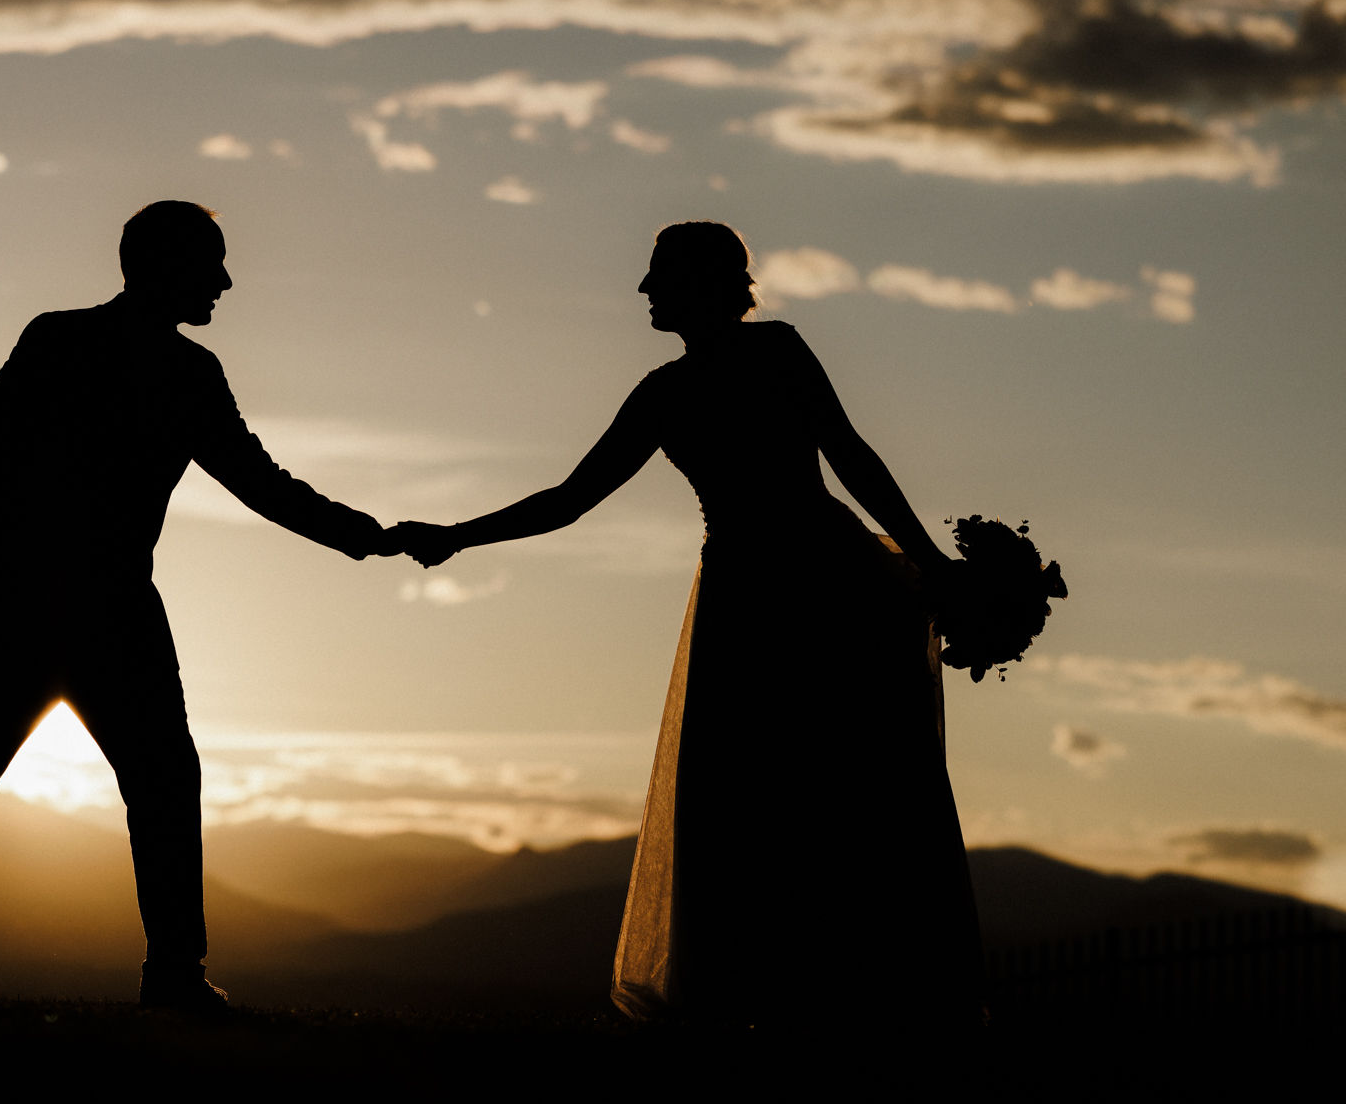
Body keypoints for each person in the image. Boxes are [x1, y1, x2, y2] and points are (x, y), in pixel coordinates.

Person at [395, 222, 983, 1030]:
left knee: (840, 783)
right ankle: (772, 996)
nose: (641, 291)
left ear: (704, 284)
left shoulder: (767, 355)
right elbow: (571, 499)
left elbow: (850, 455)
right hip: (762, 594)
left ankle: (857, 994)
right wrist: (457, 535)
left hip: (812, 587)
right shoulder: (666, 392)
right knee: (752, 795)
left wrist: (930, 563)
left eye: (657, 276)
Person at [0, 200, 395, 1012]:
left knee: (141, 779)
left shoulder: (181, 371)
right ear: (162, 265)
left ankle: (165, 973)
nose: (226, 280)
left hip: (67, 602)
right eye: (210, 263)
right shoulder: (67, 340)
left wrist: (366, 535)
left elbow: (257, 479)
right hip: (46, 602)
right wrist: (64, 552)